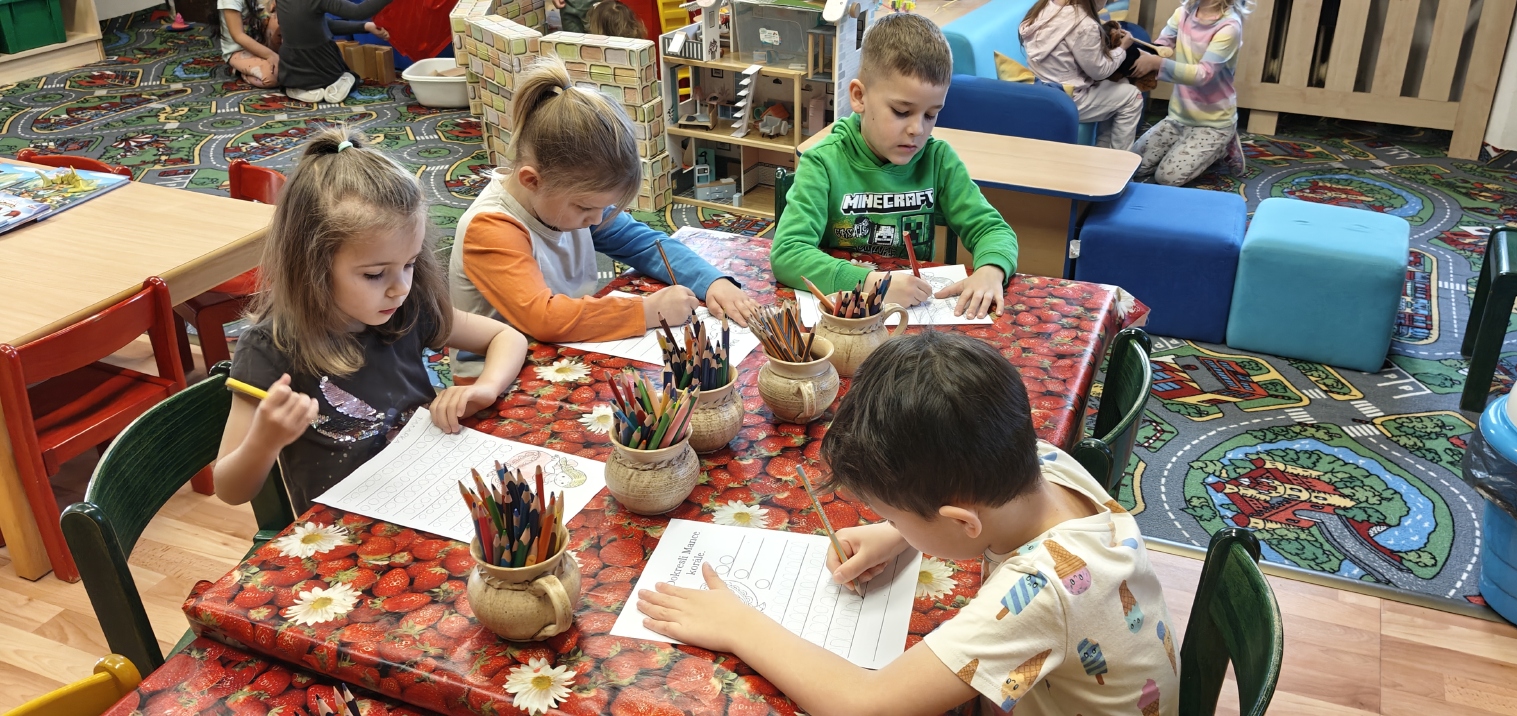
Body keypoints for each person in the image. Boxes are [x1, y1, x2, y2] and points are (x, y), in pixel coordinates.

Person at [637, 331, 1179, 716]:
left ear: (961, 520)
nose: (887, 522)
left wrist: (740, 625)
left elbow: (862, 704)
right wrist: (897, 533)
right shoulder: (1040, 462)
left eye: (891, 513)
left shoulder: (1043, 593)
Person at [213, 129, 529, 513]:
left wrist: (486, 388)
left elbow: (506, 337)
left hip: (428, 490)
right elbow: (230, 489)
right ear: (312, 267)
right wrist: (264, 441)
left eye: (410, 264)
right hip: (346, 528)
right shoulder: (270, 348)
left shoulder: (407, 307)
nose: (400, 288)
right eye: (375, 274)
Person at [448, 56, 756, 377]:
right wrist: (647, 311)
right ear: (532, 181)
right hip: (494, 382)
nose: (597, 219)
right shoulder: (491, 227)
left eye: (603, 207)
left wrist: (712, 281)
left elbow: (646, 244)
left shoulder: (567, 199)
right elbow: (544, 318)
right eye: (585, 208)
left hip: (561, 354)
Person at [770, 12, 1017, 320]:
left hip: (913, 320)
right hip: (847, 322)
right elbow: (788, 253)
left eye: (931, 115)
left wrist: (991, 270)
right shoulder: (824, 162)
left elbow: (993, 230)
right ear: (859, 97)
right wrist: (872, 285)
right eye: (901, 111)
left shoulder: (938, 160)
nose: (917, 129)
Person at [1129, 0, 1250, 186]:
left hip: (1213, 123)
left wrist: (1157, 64)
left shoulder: (1229, 27)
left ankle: (1222, 147)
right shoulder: (1182, 13)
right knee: (1132, 164)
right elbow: (1161, 46)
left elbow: (1203, 74)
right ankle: (1189, 146)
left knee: (1167, 178)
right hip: (1178, 118)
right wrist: (1134, 48)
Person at [1019, 0, 1145, 150]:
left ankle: (1104, 151)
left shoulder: (1045, 6)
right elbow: (1100, 72)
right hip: (1068, 98)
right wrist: (1123, 48)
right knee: (1133, 97)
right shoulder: (1084, 24)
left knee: (1120, 85)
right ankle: (1118, 159)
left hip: (1040, 88)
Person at [273, 0, 394, 104]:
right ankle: (340, 81)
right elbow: (359, 12)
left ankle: (301, 88)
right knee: (348, 75)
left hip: (290, 70)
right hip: (325, 67)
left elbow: (319, 25)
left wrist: (365, 26)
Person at [219, 0, 281, 88]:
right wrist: (270, 55)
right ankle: (240, 71)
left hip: (264, 41)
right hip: (240, 50)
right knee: (274, 76)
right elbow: (238, 36)